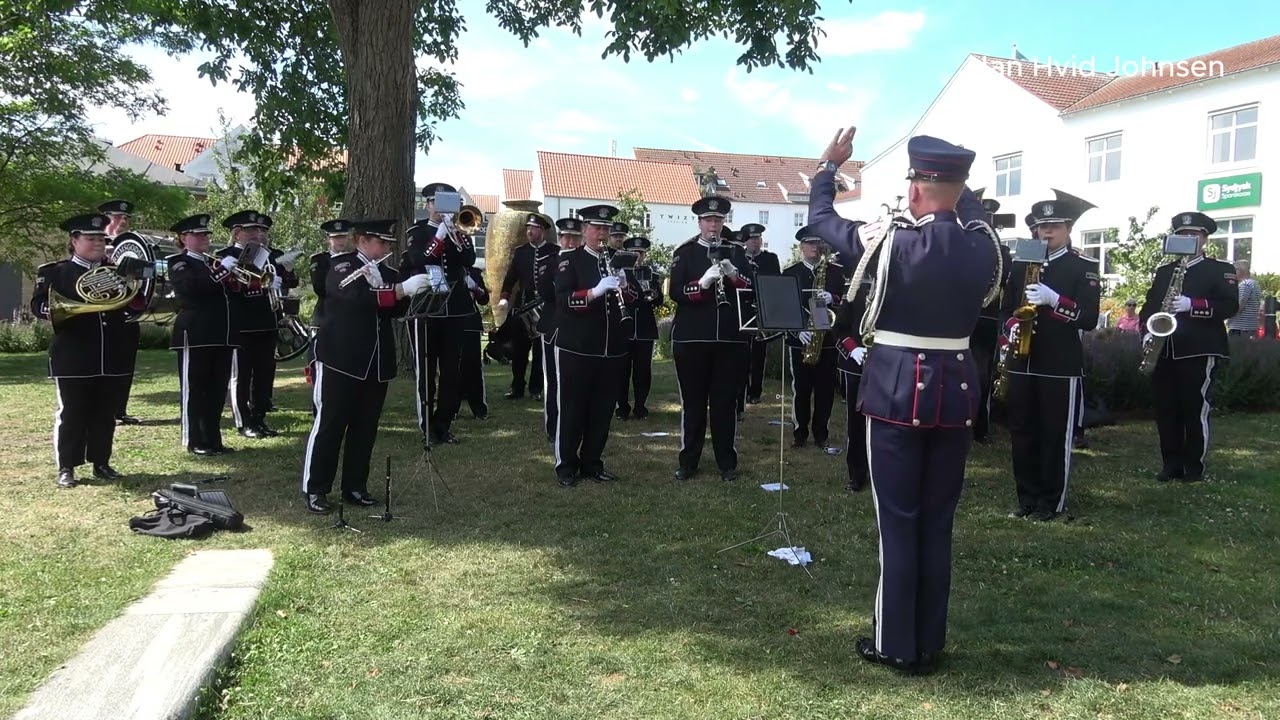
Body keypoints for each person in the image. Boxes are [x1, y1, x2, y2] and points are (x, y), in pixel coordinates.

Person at [807, 129, 1002, 675]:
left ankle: (896, 643)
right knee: (938, 520)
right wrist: (954, 186)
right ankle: (930, 639)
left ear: (915, 189)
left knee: (898, 520)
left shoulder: (889, 241)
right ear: (959, 186)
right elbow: (965, 205)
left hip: (895, 388)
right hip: (956, 390)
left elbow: (823, 222)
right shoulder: (985, 244)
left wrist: (829, 167)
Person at [301, 219, 429, 513]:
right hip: (340, 359)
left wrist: (408, 292)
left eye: (386, 243)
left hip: (375, 362)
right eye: (380, 242)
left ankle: (355, 486)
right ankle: (315, 488)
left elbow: (394, 310)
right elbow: (353, 298)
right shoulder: (342, 264)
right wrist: (397, 290)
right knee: (330, 425)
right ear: (362, 240)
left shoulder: (383, 270)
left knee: (365, 428)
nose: (385, 248)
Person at [1001, 194, 1101, 521]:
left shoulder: (1082, 266)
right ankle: (1026, 499)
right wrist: (1012, 326)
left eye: (1054, 226)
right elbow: (1006, 308)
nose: (1047, 232)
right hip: (1022, 360)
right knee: (1023, 431)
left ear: (1069, 228)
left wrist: (1055, 299)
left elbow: (1088, 318)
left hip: (1058, 363)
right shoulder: (1021, 262)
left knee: (1054, 434)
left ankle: (1050, 502)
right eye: (1042, 226)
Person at [30, 213, 140, 487]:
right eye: (90, 238)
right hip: (73, 354)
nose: (98, 243)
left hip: (112, 351)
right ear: (74, 241)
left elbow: (134, 303)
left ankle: (101, 462)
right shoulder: (55, 272)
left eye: (101, 238)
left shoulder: (116, 272)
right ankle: (66, 466)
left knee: (105, 413)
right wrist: (56, 311)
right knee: (72, 412)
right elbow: (37, 305)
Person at [1140, 212, 1238, 482]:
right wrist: (1146, 332)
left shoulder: (1220, 269)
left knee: (1194, 407)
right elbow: (1149, 308)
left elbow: (1230, 306)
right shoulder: (1164, 272)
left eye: (1193, 235)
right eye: (1182, 235)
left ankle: (1194, 467)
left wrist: (1192, 305)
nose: (1187, 239)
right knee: (1166, 407)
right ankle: (1171, 463)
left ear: (1205, 239)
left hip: (1199, 348)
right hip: (1164, 347)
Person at [669, 196, 752, 482]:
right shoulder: (686, 252)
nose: (713, 225)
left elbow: (751, 288)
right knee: (693, 403)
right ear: (700, 222)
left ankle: (726, 462)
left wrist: (733, 274)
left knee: (724, 404)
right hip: (692, 339)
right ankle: (688, 461)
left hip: (730, 340)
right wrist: (701, 283)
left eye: (718, 220)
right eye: (708, 220)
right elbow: (675, 292)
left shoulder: (736, 252)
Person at [552, 204, 630, 486]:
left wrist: (624, 287)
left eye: (606, 229)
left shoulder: (616, 260)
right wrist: (594, 292)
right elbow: (562, 300)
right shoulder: (569, 260)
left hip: (610, 348)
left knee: (602, 409)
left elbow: (629, 298)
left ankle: (592, 462)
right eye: (597, 228)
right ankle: (566, 466)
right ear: (584, 230)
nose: (602, 233)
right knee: (572, 408)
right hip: (577, 347)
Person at [404, 182, 477, 446]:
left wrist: (455, 235)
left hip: (455, 308)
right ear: (428, 205)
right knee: (426, 370)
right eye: (436, 202)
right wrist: (439, 237)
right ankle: (426, 426)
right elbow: (417, 260)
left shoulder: (461, 231)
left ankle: (443, 425)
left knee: (451, 372)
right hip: (427, 309)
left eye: (447, 203)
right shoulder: (417, 231)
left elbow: (468, 260)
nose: (440, 208)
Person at [164, 214, 241, 456]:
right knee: (195, 389)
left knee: (217, 389)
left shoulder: (212, 262)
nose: (204, 238)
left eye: (206, 234)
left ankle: (212, 439)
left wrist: (235, 277)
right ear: (183, 238)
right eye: (198, 235)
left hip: (221, 332)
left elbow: (231, 293)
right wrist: (222, 272)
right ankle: (194, 440)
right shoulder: (178, 262)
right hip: (195, 333)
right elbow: (193, 288)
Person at [217, 210, 283, 439]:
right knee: (241, 376)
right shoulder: (224, 256)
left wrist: (276, 282)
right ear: (237, 233)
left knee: (264, 375)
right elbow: (224, 290)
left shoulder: (266, 256)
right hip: (241, 323)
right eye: (251, 230)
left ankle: (259, 417)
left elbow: (279, 279)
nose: (257, 234)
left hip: (266, 320)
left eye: (258, 230)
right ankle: (242, 421)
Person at [782, 229, 844, 449]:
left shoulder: (835, 272)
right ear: (801, 246)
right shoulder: (790, 273)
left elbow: (847, 301)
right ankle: (800, 433)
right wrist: (797, 330)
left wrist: (833, 298)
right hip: (801, 337)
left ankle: (821, 433)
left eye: (817, 243)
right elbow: (784, 306)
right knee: (801, 389)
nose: (814, 247)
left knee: (825, 389)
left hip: (826, 338)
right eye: (809, 243)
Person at [498, 213, 557, 400]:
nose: (530, 231)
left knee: (540, 352)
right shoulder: (521, 251)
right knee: (519, 351)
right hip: (523, 307)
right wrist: (504, 298)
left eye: (534, 228)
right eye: (528, 228)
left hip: (545, 308)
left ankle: (536, 389)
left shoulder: (554, 251)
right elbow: (510, 278)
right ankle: (517, 387)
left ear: (543, 231)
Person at [970, 195, 1013, 444]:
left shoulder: (1002, 252)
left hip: (986, 317)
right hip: (964, 317)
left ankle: (981, 426)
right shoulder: (965, 246)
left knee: (983, 372)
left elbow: (1006, 276)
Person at [97, 199, 143, 426]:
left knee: (126, 365)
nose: (123, 221)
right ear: (106, 218)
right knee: (107, 364)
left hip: (128, 313)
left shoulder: (134, 247)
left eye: (126, 218)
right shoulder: (96, 244)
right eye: (118, 217)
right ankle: (105, 411)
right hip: (104, 315)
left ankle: (120, 410)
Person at [541, 218, 582, 442]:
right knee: (554, 381)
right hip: (555, 325)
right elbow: (547, 293)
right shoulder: (551, 262)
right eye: (566, 237)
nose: (571, 241)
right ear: (559, 239)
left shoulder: (586, 261)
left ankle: (575, 424)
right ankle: (553, 425)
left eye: (575, 237)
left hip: (580, 328)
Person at [615, 235, 664, 420]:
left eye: (641, 253)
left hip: (644, 328)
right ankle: (622, 407)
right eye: (634, 253)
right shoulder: (620, 273)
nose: (638, 256)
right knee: (622, 370)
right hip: (625, 328)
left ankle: (640, 406)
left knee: (643, 371)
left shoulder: (652, 274)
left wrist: (656, 291)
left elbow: (659, 301)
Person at [833, 265, 871, 492]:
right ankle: (856, 475)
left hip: (887, 365)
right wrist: (853, 349)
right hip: (857, 364)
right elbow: (839, 329)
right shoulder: (853, 292)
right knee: (856, 425)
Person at [739, 223, 781, 405]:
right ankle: (741, 391)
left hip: (762, 309)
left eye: (757, 239)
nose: (755, 243)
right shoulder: (739, 258)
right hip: (744, 309)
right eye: (751, 239)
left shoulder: (770, 259)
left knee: (759, 353)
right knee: (741, 353)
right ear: (745, 242)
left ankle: (755, 392)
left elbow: (776, 281)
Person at [461, 264, 491, 419]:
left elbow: (485, 299)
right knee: (451, 367)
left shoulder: (474, 272)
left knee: (474, 367)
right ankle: (451, 408)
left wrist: (476, 288)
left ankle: (479, 408)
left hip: (471, 322)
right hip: (451, 322)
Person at [1227, 259, 1261, 337]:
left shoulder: (1245, 284)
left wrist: (1226, 313)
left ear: (1239, 270)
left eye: (1234, 269)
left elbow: (1239, 305)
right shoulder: (1255, 283)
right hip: (1250, 327)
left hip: (1240, 328)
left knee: (1235, 349)